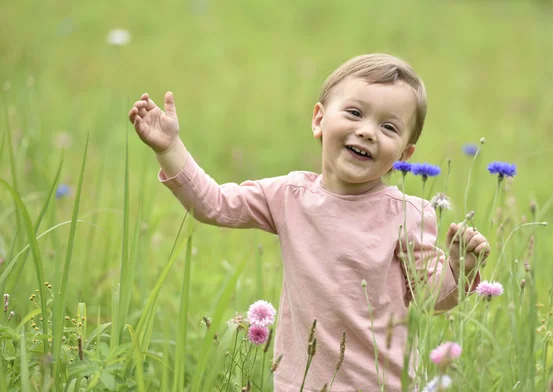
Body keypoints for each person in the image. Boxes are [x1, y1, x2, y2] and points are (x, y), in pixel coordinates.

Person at [128, 53, 490, 391]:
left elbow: (431, 299)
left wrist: (459, 268)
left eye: (389, 127)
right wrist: (169, 148)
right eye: (354, 112)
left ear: (405, 154)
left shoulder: (408, 214)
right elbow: (214, 204)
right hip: (300, 382)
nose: (367, 131)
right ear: (319, 119)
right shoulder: (288, 196)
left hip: (383, 384)